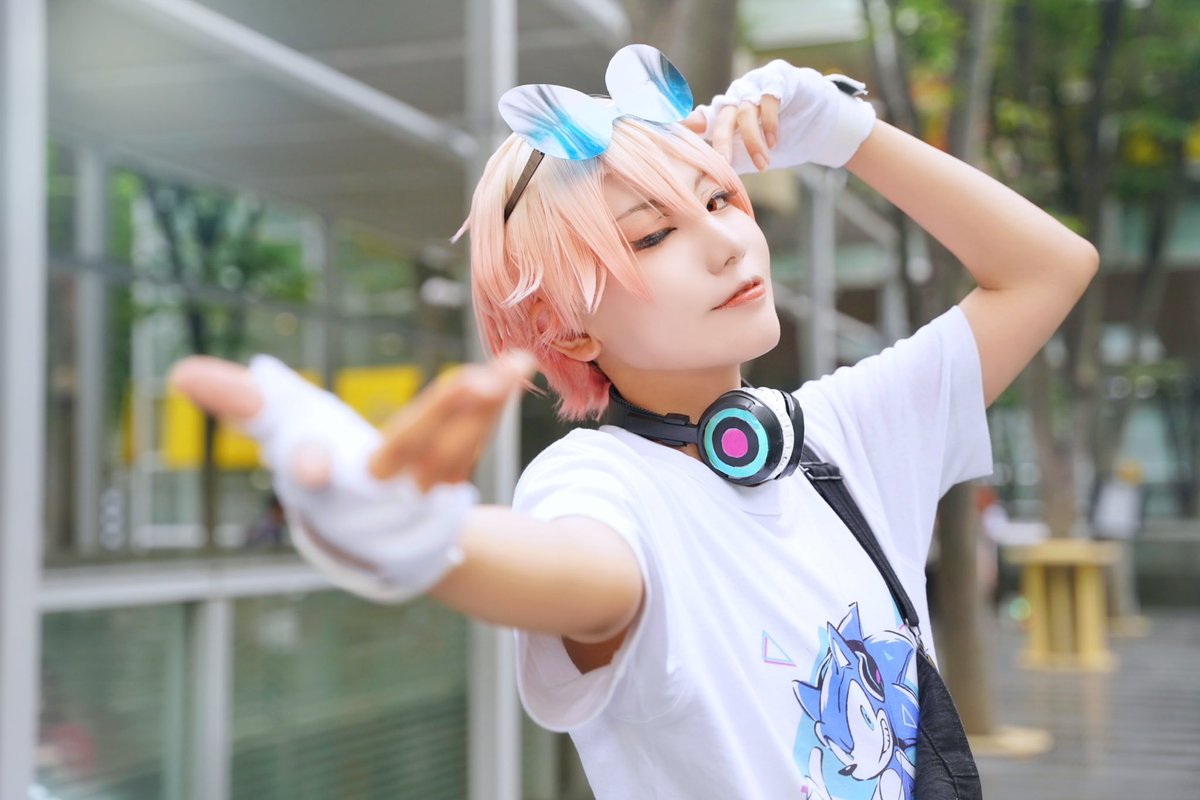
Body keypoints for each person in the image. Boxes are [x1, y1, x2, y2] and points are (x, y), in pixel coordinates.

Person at [170, 45, 1097, 799]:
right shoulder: (596, 481)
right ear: (568, 326)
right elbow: (587, 577)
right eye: (653, 234)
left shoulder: (842, 435)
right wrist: (426, 539)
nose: (726, 242)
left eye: (720, 198)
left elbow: (1051, 268)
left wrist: (850, 135)